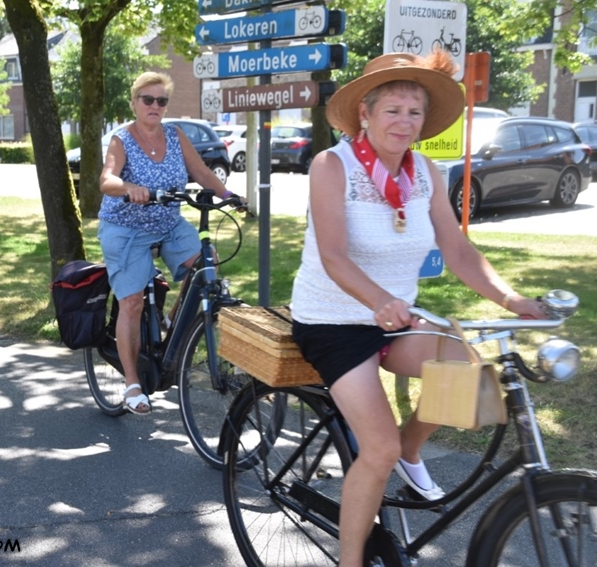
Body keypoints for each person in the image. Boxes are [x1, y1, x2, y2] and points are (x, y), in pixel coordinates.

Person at [290, 51, 546, 567]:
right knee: (376, 449)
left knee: (467, 366)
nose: (404, 122)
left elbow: (458, 251)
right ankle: (351, 560)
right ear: (365, 113)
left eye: (414, 112)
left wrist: (511, 299)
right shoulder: (332, 165)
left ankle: (411, 448)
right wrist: (378, 300)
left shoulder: (425, 171)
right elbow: (333, 255)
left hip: (396, 318)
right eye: (393, 110)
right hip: (334, 323)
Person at [98, 71, 239, 415]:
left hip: (167, 223)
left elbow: (202, 173)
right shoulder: (122, 139)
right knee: (132, 301)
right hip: (126, 227)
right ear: (134, 103)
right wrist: (129, 188)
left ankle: (171, 324)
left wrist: (228, 195)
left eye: (161, 100)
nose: (155, 105)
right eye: (148, 99)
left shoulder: (175, 135)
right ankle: (133, 383)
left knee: (205, 263)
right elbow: (107, 179)